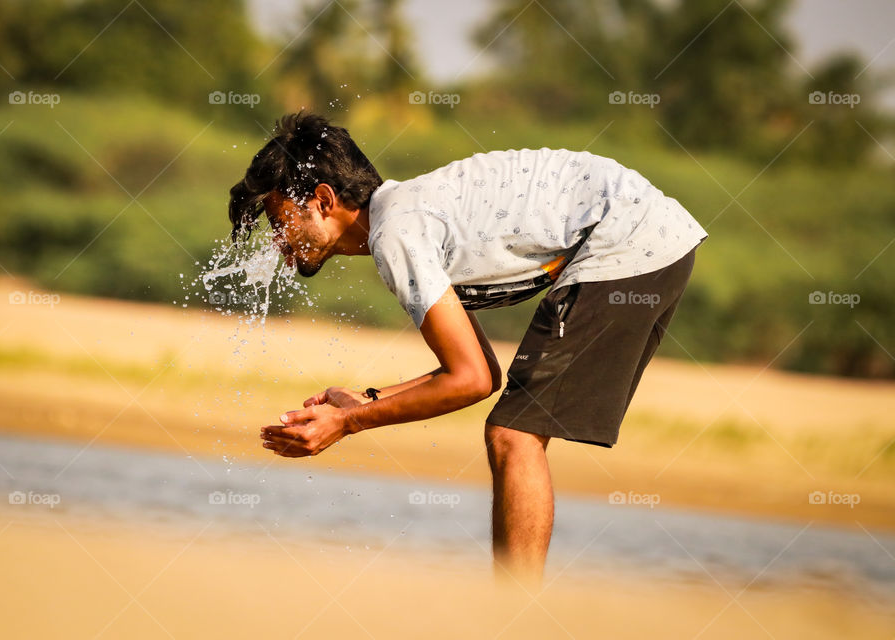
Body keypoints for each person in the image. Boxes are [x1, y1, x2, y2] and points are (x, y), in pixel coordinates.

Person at [234, 111, 707, 583]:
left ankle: (511, 618)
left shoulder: (394, 234)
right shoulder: (405, 217)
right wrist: (368, 401)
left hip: (626, 239)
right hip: (650, 236)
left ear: (322, 201)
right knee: (513, 432)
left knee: (514, 437)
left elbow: (472, 380)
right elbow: (480, 370)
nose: (278, 241)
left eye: (281, 221)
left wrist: (348, 422)